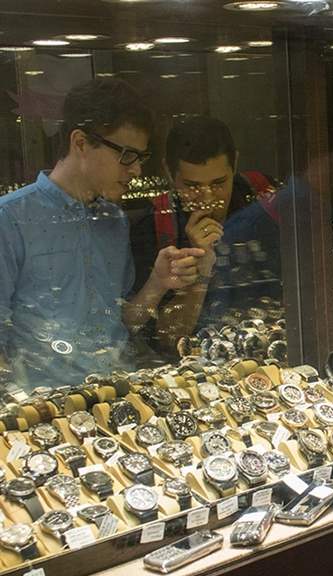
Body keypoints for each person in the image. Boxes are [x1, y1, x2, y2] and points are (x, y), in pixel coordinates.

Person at [0, 78, 205, 391]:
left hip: (121, 390)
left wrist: (158, 282)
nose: (136, 170)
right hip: (45, 403)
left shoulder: (114, 220)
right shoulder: (10, 219)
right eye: (127, 155)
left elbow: (123, 323)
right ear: (80, 143)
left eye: (140, 158)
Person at [128, 116, 281, 354]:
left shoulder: (263, 195)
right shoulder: (153, 227)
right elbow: (167, 339)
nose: (208, 197)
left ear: (235, 163)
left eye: (219, 183)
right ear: (169, 172)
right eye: (192, 186)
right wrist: (200, 267)